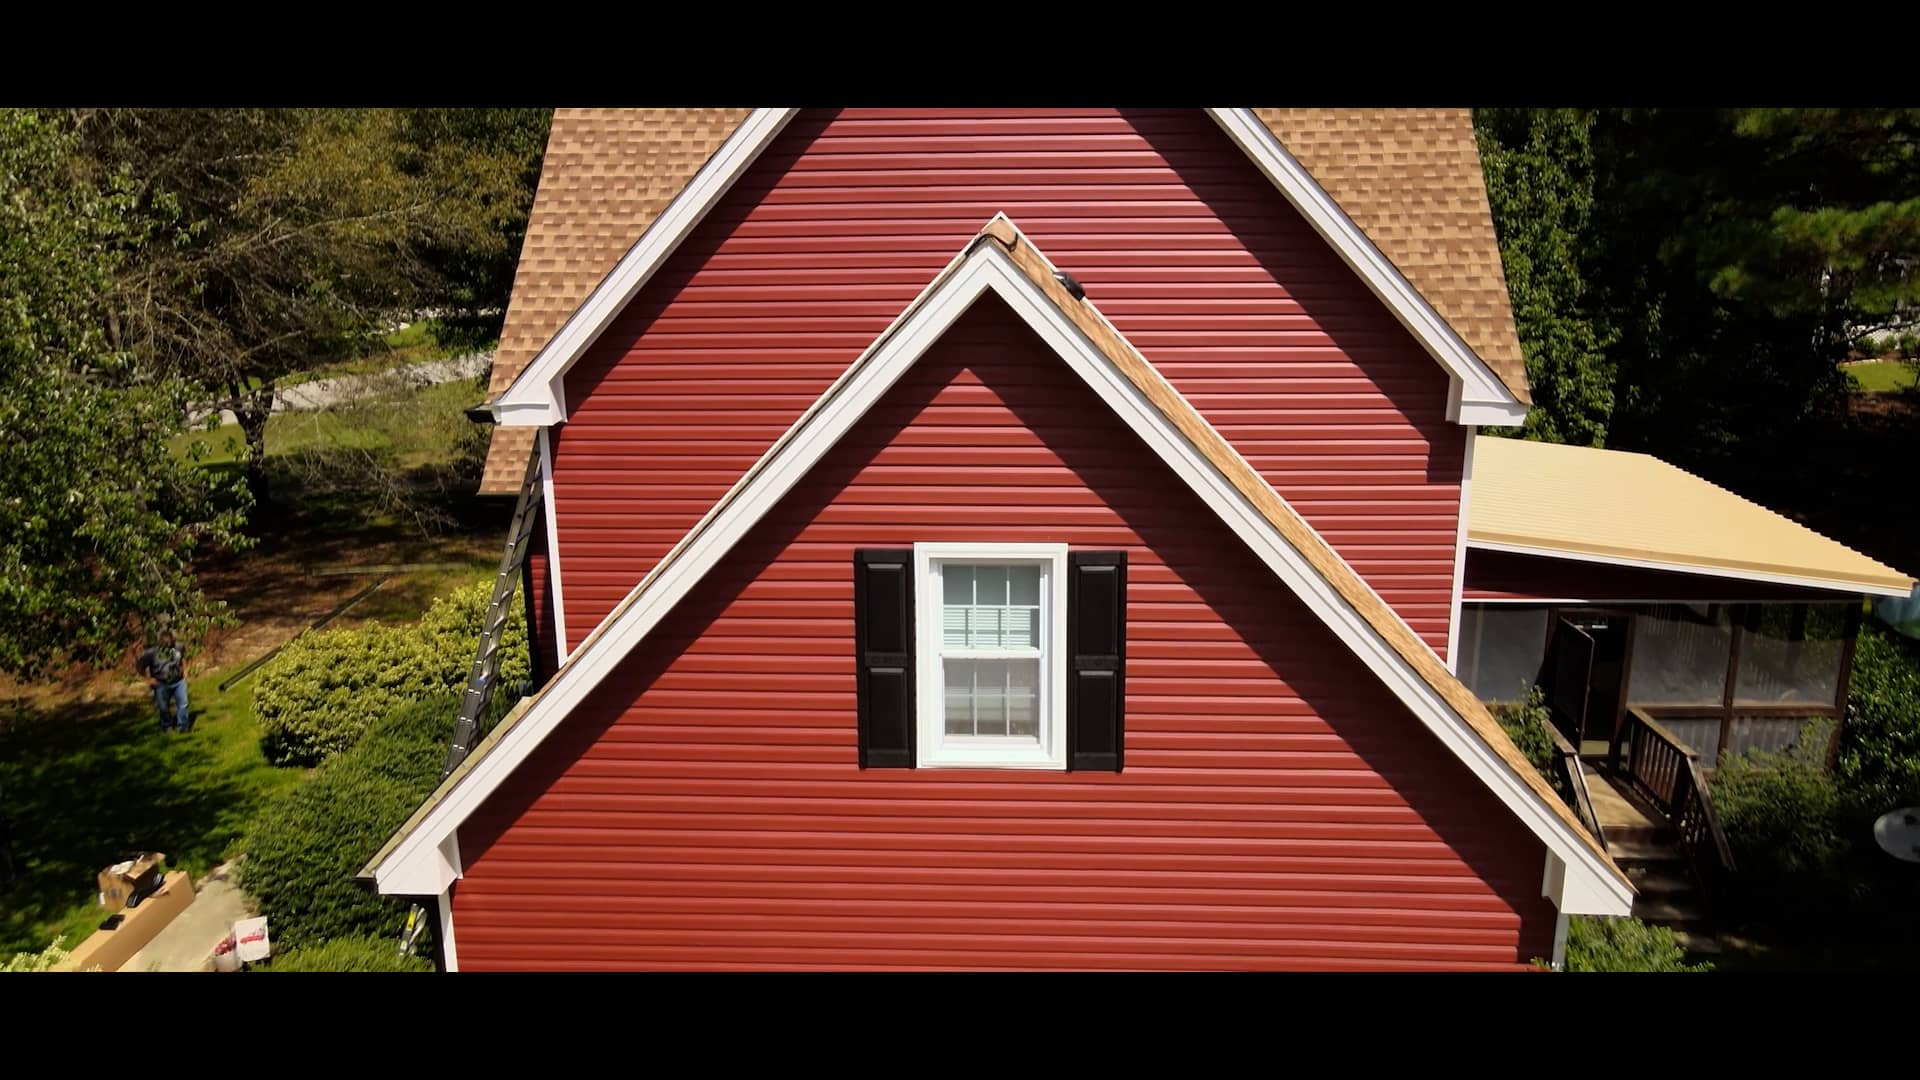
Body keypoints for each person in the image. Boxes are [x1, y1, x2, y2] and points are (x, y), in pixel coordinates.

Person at [135, 630, 190, 734]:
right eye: (166, 644)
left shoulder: (179, 647)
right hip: (161, 683)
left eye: (170, 643)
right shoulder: (151, 653)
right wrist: (148, 679)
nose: (169, 646)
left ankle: (183, 727)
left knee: (183, 704)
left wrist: (185, 670)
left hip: (178, 681)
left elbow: (184, 658)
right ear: (160, 642)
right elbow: (139, 666)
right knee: (163, 707)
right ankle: (167, 726)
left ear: (173, 640)